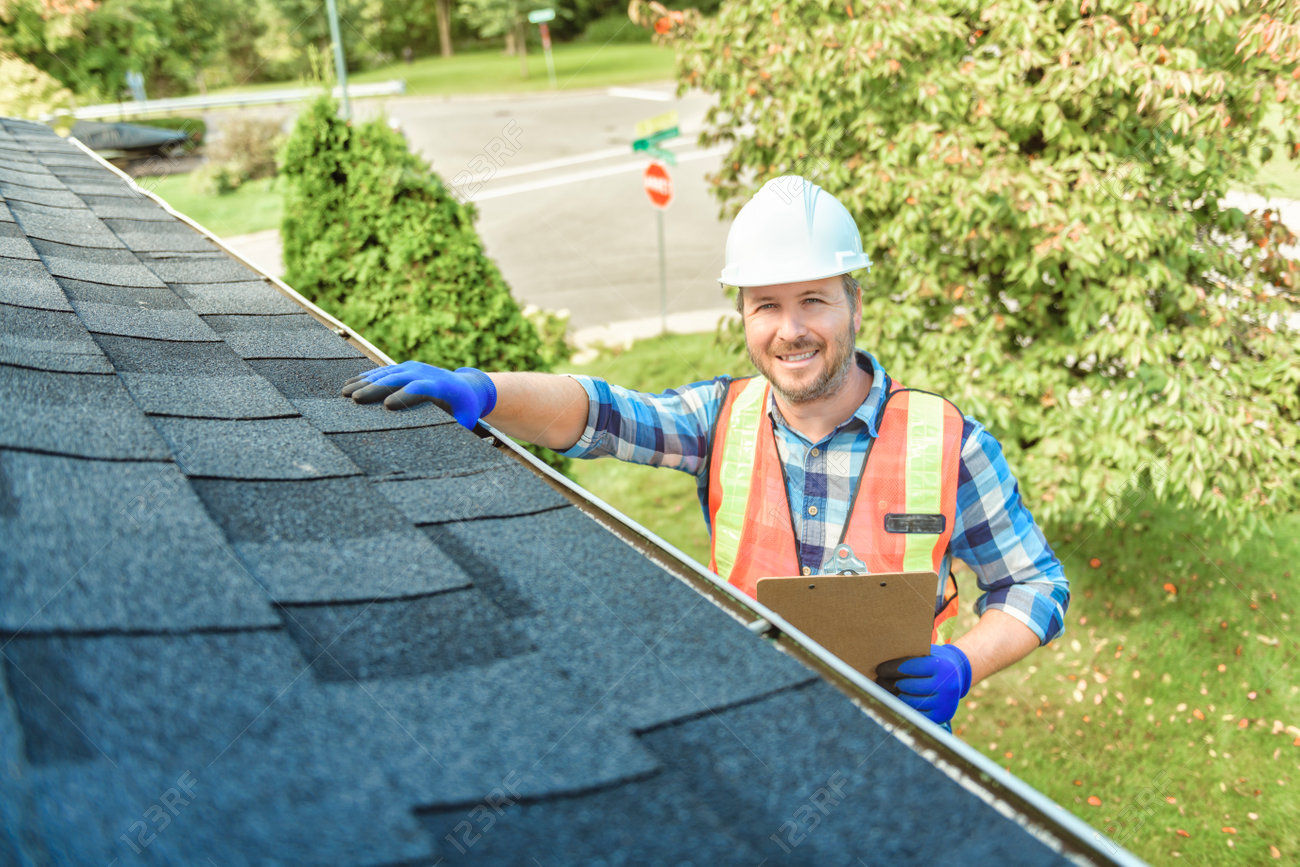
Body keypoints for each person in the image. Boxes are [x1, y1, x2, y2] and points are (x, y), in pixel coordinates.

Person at [342, 176, 1070, 728]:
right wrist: (485, 391)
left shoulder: (949, 443)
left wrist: (962, 664)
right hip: (747, 715)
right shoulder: (722, 418)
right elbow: (599, 411)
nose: (791, 329)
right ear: (745, 316)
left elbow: (1034, 585)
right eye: (766, 306)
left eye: (814, 299)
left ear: (855, 303)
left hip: (893, 740)